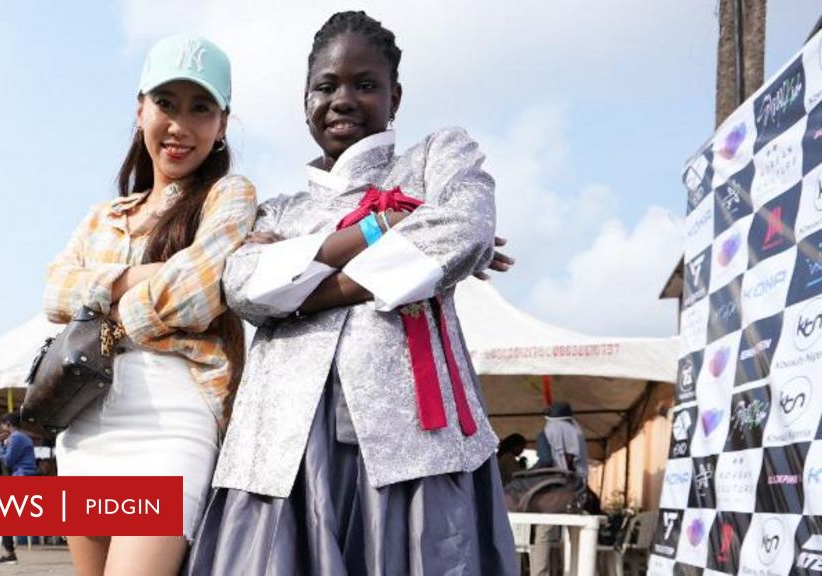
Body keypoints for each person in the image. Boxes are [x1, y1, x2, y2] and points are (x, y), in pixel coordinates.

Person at [187, 12, 516, 575]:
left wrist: (304, 286)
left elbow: (463, 231)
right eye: (327, 86)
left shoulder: (438, 156)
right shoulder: (278, 208)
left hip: (415, 445)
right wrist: (379, 231)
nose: (343, 99)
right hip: (281, 448)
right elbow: (243, 287)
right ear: (305, 98)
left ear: (396, 96)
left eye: (365, 85)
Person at [42, 32, 256, 575]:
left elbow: (196, 295)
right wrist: (144, 276)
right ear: (140, 110)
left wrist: (101, 304)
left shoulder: (228, 197)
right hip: (85, 419)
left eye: (200, 108)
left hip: (172, 422)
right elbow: (52, 292)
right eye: (166, 103)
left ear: (222, 123)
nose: (180, 126)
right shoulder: (103, 215)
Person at [530, 402, 588, 576]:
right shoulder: (577, 432)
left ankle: (540, 573)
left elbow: (547, 461)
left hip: (554, 490)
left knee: (544, 534)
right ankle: (579, 571)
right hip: (577, 489)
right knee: (577, 534)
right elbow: (573, 460)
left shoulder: (548, 433)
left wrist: (527, 474)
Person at [0, 413, 37, 565]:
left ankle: (9, 553)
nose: (1, 428)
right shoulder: (22, 437)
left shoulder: (17, 438)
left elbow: (9, 461)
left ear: (8, 424)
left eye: (2, 425)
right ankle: (9, 552)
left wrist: (0, 447)